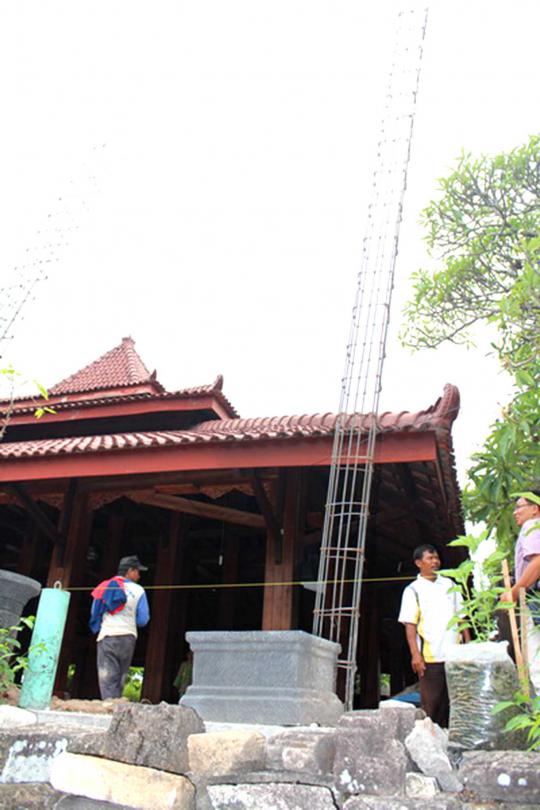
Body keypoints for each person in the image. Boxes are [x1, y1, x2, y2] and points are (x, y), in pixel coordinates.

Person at [398, 544, 469, 727]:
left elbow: (462, 618)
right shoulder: (413, 590)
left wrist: (468, 647)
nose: (435, 561)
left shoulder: (451, 585)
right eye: (430, 558)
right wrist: (415, 654)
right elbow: (410, 625)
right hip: (431, 656)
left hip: (455, 655)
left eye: (436, 558)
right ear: (418, 563)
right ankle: (430, 742)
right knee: (432, 705)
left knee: (457, 703)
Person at [89, 555, 150, 700]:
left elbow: (94, 612)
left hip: (108, 635)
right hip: (128, 637)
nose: (139, 576)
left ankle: (109, 706)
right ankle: (116, 707)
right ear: (129, 571)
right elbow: (143, 620)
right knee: (121, 677)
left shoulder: (105, 586)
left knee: (107, 677)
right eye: (137, 571)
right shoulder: (139, 590)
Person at [500, 489, 540, 693]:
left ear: (535, 509)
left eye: (519, 507)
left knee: (536, 663)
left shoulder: (532, 526)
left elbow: (538, 562)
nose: (515, 513)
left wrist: (513, 593)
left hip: (535, 600)